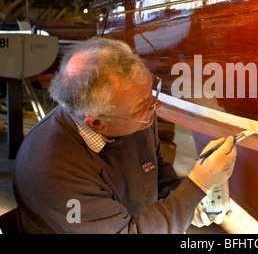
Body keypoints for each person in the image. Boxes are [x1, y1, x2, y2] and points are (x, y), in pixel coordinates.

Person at [13, 37, 237, 233]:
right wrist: (197, 184)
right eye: (142, 106)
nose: (155, 106)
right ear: (99, 123)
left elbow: (154, 171)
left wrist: (189, 204)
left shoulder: (136, 116)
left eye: (151, 93)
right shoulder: (50, 171)